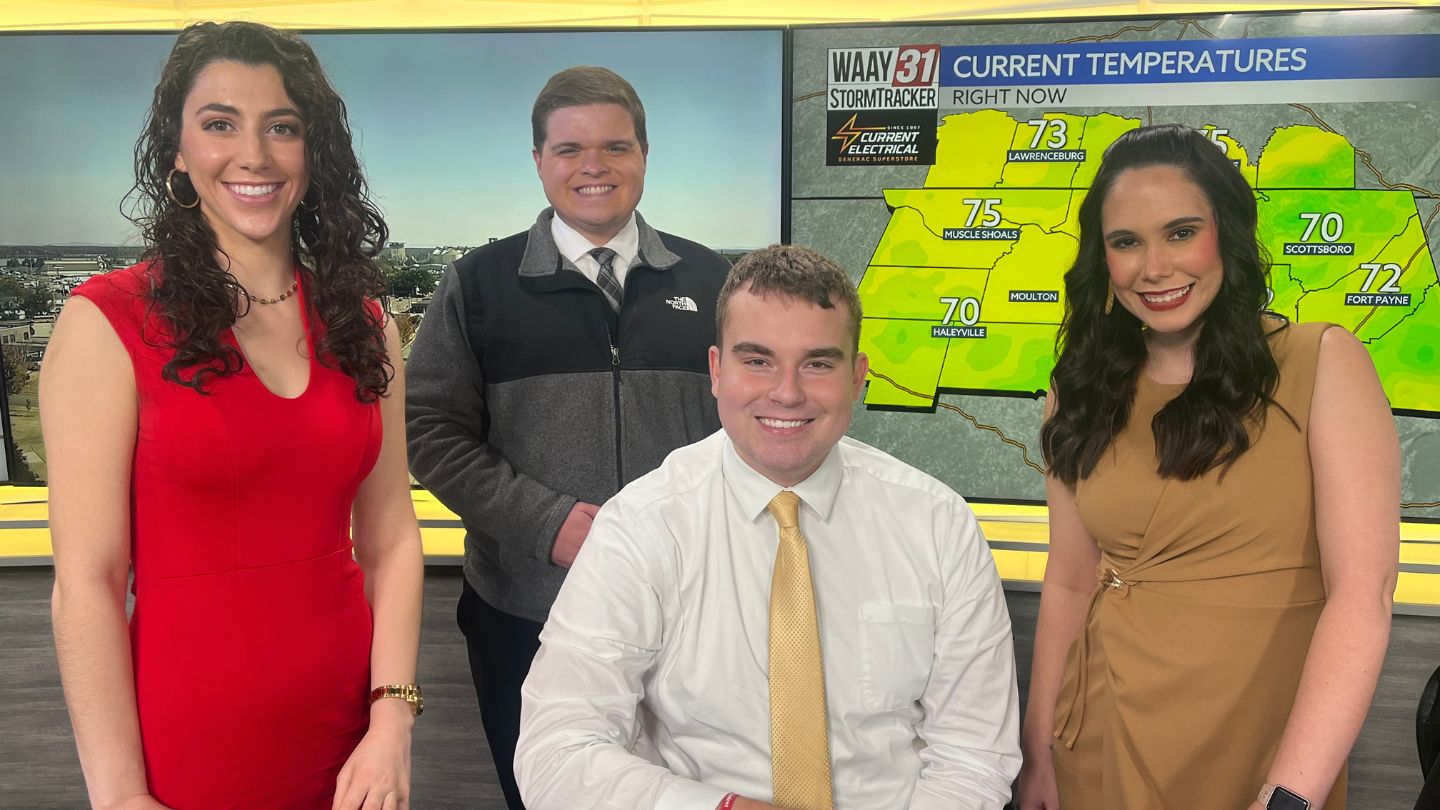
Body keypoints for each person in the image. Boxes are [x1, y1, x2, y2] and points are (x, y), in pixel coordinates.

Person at [43, 21, 424, 810]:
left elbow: (391, 539)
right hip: (186, 749)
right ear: (177, 152)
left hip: (353, 744)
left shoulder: (364, 322)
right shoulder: (105, 321)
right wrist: (117, 797)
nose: (253, 154)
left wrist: (393, 723)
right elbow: (88, 582)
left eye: (282, 127)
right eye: (220, 123)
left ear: (312, 155)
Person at [514, 244, 1022, 809]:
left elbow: (974, 757)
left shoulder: (938, 524)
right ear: (715, 371)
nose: (787, 392)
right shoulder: (641, 526)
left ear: (857, 379)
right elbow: (556, 752)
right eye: (757, 361)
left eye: (818, 363)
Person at [1016, 124, 1399, 810]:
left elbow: (1362, 596)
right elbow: (1070, 581)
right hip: (1099, 735)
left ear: (1227, 233)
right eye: (1126, 242)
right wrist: (1038, 754)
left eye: (1181, 232)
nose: (1154, 267)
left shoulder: (1323, 362)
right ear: (1102, 261)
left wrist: (1290, 795)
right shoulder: (1076, 389)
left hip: (1259, 749)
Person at [404, 66, 730, 809]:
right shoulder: (478, 284)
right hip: (526, 612)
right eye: (569, 149)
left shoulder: (714, 280)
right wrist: (546, 523)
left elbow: (746, 432)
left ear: (644, 155)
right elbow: (428, 429)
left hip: (688, 611)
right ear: (539, 162)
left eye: (615, 146)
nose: (594, 166)